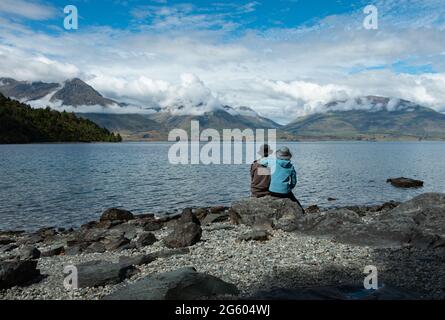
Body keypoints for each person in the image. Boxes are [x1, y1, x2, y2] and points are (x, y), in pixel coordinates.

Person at [259, 146, 305, 211]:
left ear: (278, 154)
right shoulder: (291, 167)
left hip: (272, 191)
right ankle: (302, 212)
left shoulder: (273, 162)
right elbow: (294, 181)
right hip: (285, 192)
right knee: (296, 203)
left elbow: (261, 162)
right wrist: (289, 187)